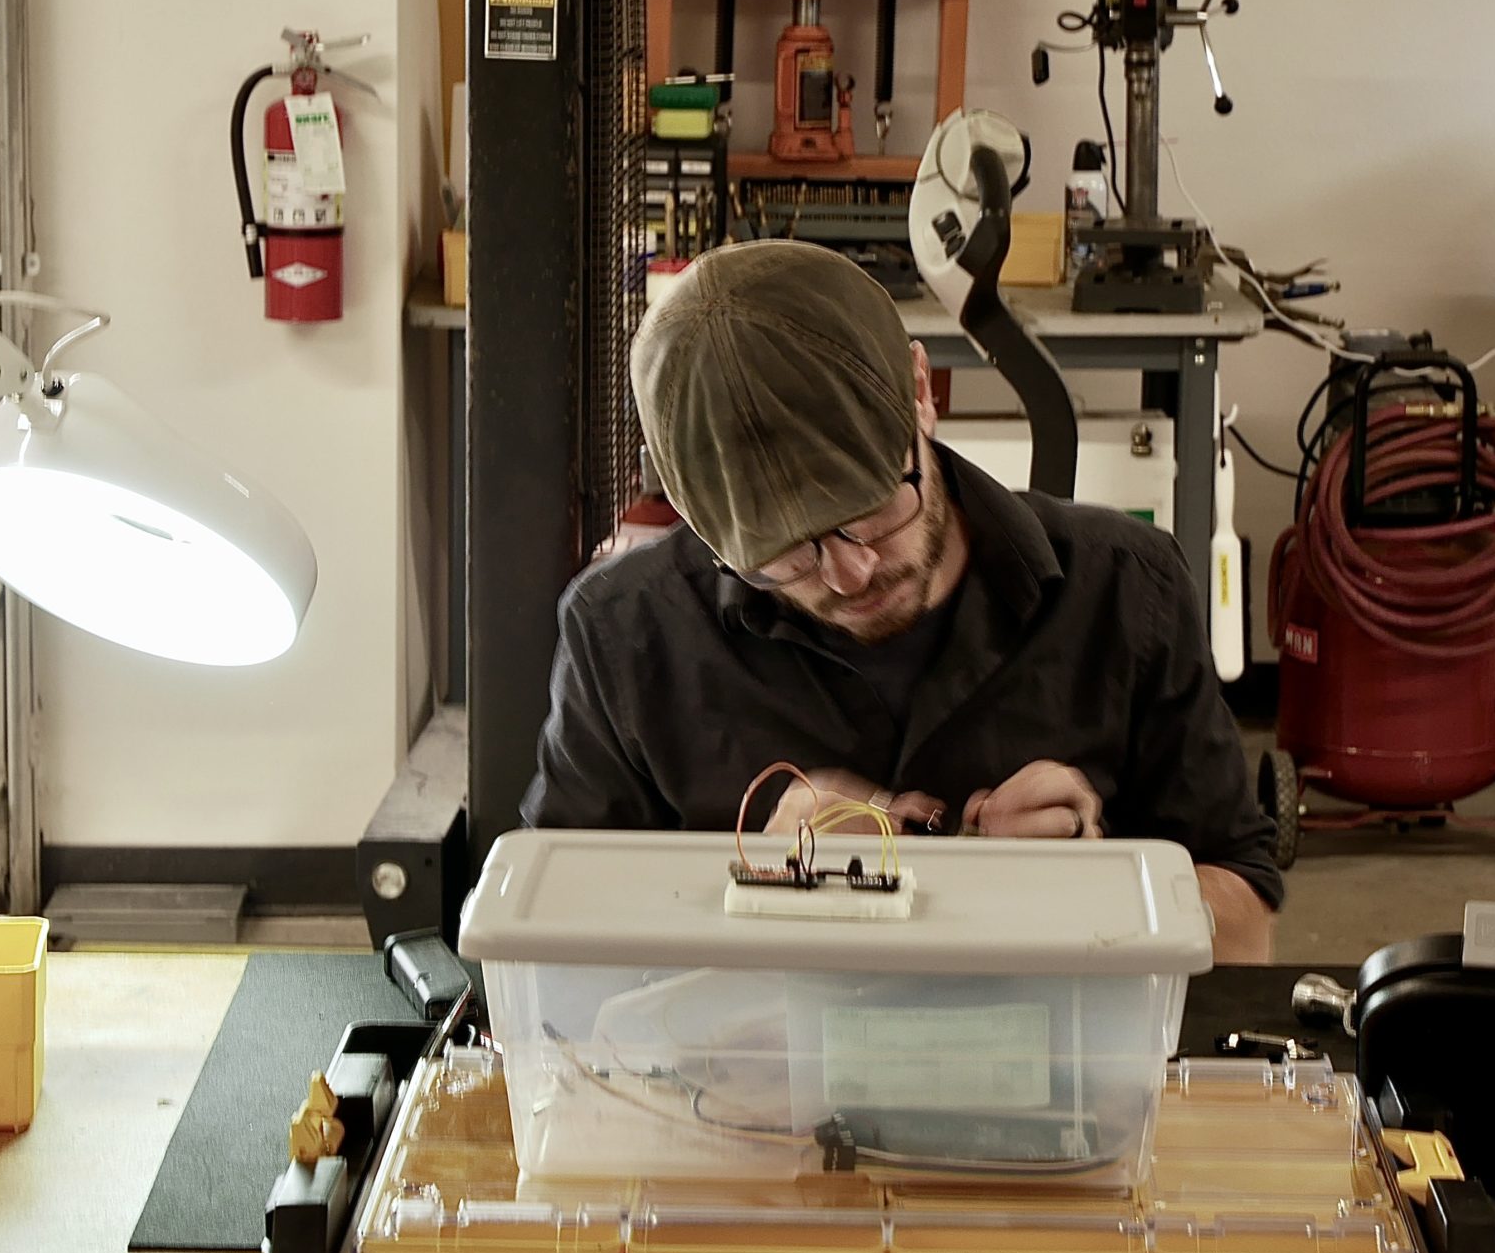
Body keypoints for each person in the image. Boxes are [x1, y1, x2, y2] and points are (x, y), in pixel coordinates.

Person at [521, 240, 1280, 961]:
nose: (850, 574)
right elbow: (546, 943)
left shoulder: (1124, 589)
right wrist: (752, 882)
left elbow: (1249, 931)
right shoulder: (624, 635)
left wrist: (1092, 885)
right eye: (784, 554)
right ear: (695, 524)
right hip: (744, 1091)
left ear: (920, 391)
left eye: (872, 510)